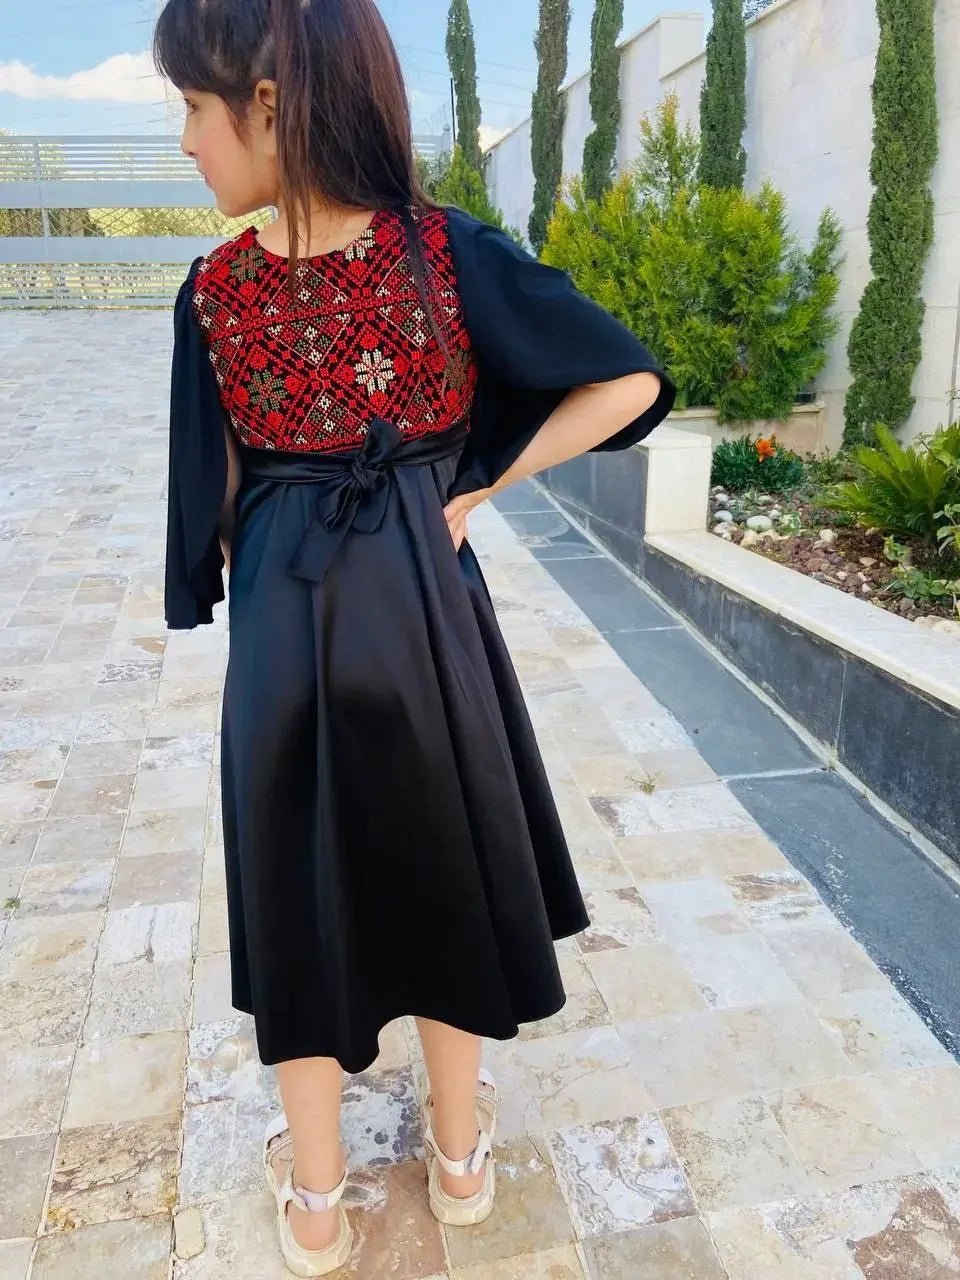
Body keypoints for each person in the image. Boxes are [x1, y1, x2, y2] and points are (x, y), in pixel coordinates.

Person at [156, 0, 675, 1273]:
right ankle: (457, 1160)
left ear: (267, 105)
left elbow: (207, 511)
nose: (183, 142)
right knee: (443, 864)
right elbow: (628, 380)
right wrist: (481, 485)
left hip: (287, 642)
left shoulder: (215, 294)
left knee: (298, 892)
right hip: (429, 623)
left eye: (190, 108)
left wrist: (249, 568)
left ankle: (320, 1203)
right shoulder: (446, 254)